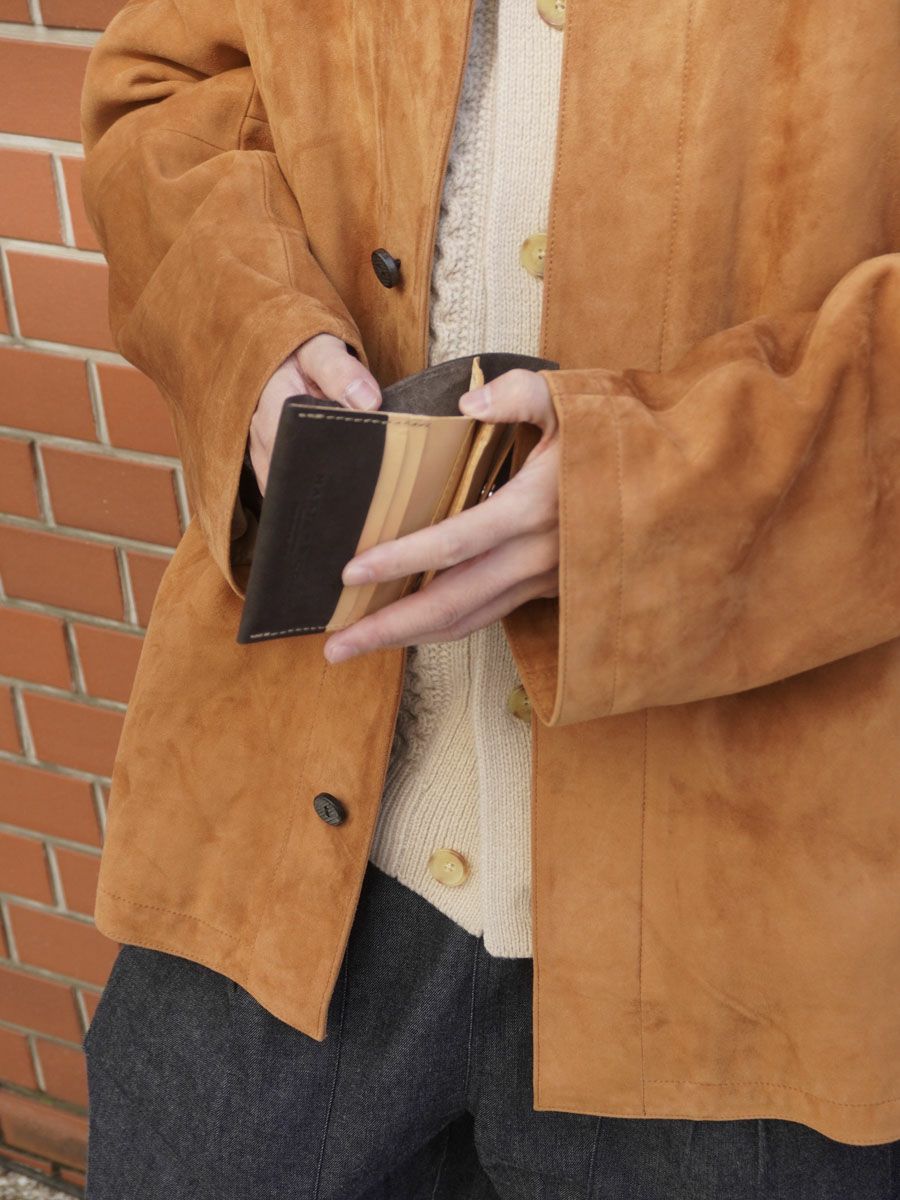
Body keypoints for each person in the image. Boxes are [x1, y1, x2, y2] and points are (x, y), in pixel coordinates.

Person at [78, 0, 900, 1196]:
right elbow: (165, 92)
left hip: (739, 923)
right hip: (278, 836)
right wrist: (248, 326)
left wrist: (662, 487)